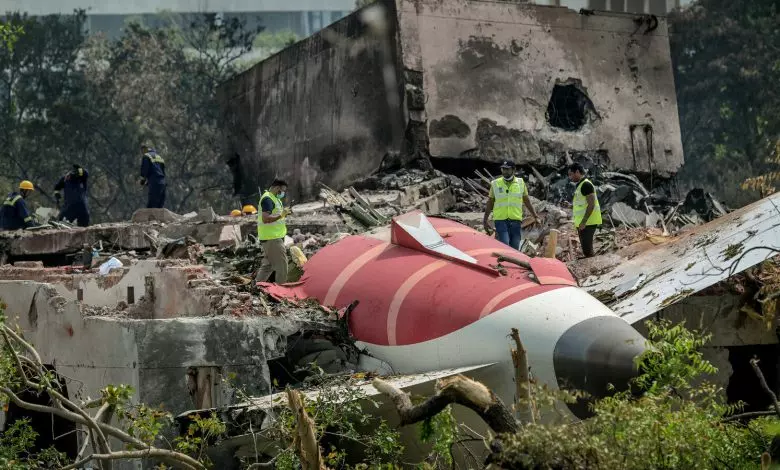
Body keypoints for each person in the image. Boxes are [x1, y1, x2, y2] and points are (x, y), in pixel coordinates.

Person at [483, 161, 539, 250]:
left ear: (513, 170)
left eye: (507, 169)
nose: (504, 171)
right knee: (504, 244)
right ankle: (502, 258)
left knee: (515, 247)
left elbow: (527, 201)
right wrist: (485, 220)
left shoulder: (520, 183)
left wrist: (535, 216)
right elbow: (490, 202)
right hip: (500, 220)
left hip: (515, 220)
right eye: (503, 169)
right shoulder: (495, 183)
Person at [255, 179, 292, 284]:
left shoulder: (274, 198)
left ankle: (257, 286)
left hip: (271, 237)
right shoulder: (268, 199)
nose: (283, 193)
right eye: (282, 190)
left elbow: (276, 215)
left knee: (268, 266)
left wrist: (284, 213)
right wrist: (281, 215)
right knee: (282, 266)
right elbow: (265, 219)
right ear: (277, 188)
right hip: (273, 238)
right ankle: (281, 290)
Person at [567, 163, 602, 258]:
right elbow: (582, 204)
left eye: (571, 174)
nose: (570, 177)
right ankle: (591, 262)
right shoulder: (580, 185)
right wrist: (570, 206)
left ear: (577, 172)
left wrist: (584, 222)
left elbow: (591, 204)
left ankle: (593, 264)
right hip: (584, 222)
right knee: (586, 249)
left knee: (587, 249)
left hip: (588, 222)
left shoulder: (586, 185)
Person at [139, 144, 166, 209]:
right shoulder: (159, 157)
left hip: (154, 182)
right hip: (163, 182)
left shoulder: (146, 156)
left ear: (144, 149)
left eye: (142, 151)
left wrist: (142, 181)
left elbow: (145, 170)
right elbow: (161, 171)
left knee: (151, 204)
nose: (142, 153)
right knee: (160, 205)